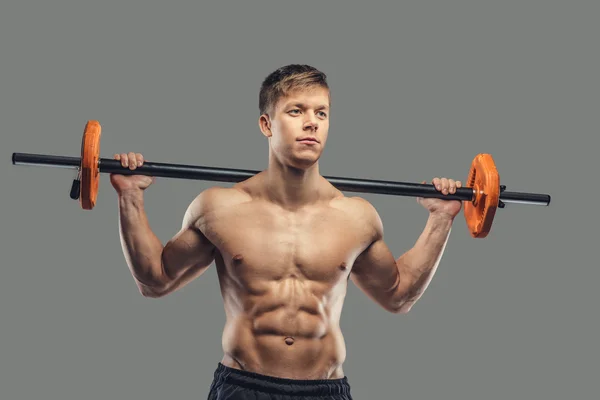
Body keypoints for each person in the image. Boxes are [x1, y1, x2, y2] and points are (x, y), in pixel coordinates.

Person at [109, 64, 463, 400]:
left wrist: (441, 218)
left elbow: (397, 296)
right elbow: (155, 281)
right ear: (266, 124)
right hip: (243, 386)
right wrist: (130, 196)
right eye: (296, 111)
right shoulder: (220, 209)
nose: (311, 123)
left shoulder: (356, 217)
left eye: (321, 113)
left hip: (325, 390)